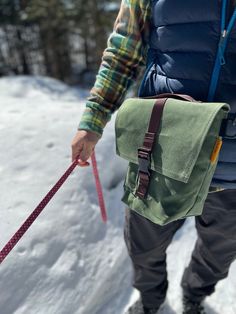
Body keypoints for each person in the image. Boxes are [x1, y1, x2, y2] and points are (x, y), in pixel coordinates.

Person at [71, 1, 236, 313]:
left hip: (233, 167)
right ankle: (150, 302)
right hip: (160, 149)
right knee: (144, 245)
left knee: (220, 250)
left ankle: (195, 295)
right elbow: (123, 53)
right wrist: (93, 120)